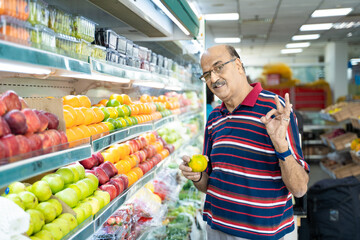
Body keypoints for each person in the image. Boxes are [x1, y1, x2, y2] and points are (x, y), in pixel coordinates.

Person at [179, 45, 309, 240]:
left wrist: (281, 146)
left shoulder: (275, 109)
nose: (213, 79)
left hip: (261, 235)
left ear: (238, 65)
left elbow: (299, 189)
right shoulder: (214, 117)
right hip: (216, 230)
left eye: (219, 67)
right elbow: (209, 184)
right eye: (206, 75)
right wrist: (197, 176)